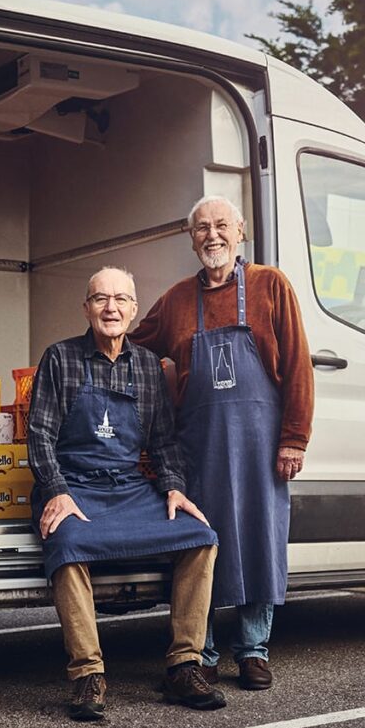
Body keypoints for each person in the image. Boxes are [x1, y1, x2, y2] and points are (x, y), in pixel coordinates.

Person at [28, 266, 226, 721]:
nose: (111, 308)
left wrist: (174, 488)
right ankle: (88, 674)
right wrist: (56, 490)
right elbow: (39, 435)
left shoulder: (147, 367)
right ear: (86, 307)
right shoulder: (60, 358)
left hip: (129, 487)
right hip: (74, 485)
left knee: (200, 537)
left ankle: (183, 665)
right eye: (100, 299)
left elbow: (163, 442)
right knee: (69, 543)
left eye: (120, 299)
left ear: (134, 309)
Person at [132, 195, 314, 690]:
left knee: (260, 540)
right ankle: (203, 649)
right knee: (200, 545)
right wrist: (84, 355)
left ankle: (253, 650)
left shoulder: (270, 285)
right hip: (199, 447)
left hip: (262, 444)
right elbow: (131, 347)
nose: (212, 235)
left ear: (240, 232)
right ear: (191, 240)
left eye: (221, 226)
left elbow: (298, 364)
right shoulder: (173, 301)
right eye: (201, 229)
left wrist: (294, 439)